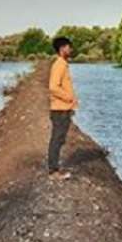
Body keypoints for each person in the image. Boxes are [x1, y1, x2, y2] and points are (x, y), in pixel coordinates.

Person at [47, 36, 78, 179]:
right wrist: (69, 98)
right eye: (68, 47)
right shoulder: (59, 64)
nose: (70, 49)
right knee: (57, 139)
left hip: (63, 109)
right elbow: (53, 87)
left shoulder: (63, 64)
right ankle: (53, 171)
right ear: (62, 49)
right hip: (60, 110)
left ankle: (54, 168)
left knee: (59, 139)